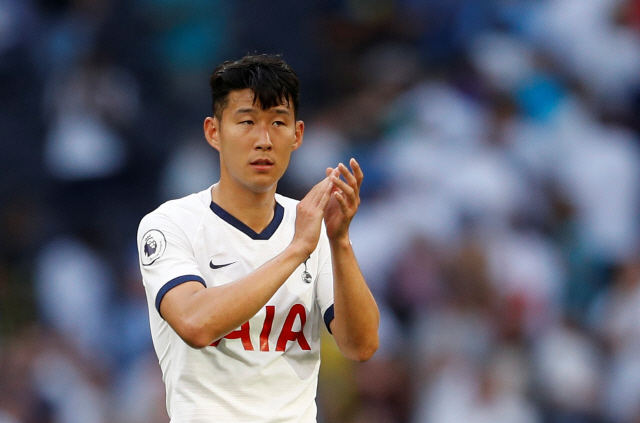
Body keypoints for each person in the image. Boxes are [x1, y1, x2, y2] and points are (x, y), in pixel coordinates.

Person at [137, 54, 380, 422]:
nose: (264, 140)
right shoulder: (170, 224)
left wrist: (340, 241)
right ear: (213, 132)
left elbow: (361, 346)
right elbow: (195, 324)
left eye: (278, 122)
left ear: (297, 135)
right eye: (247, 122)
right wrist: (297, 249)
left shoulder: (313, 226)